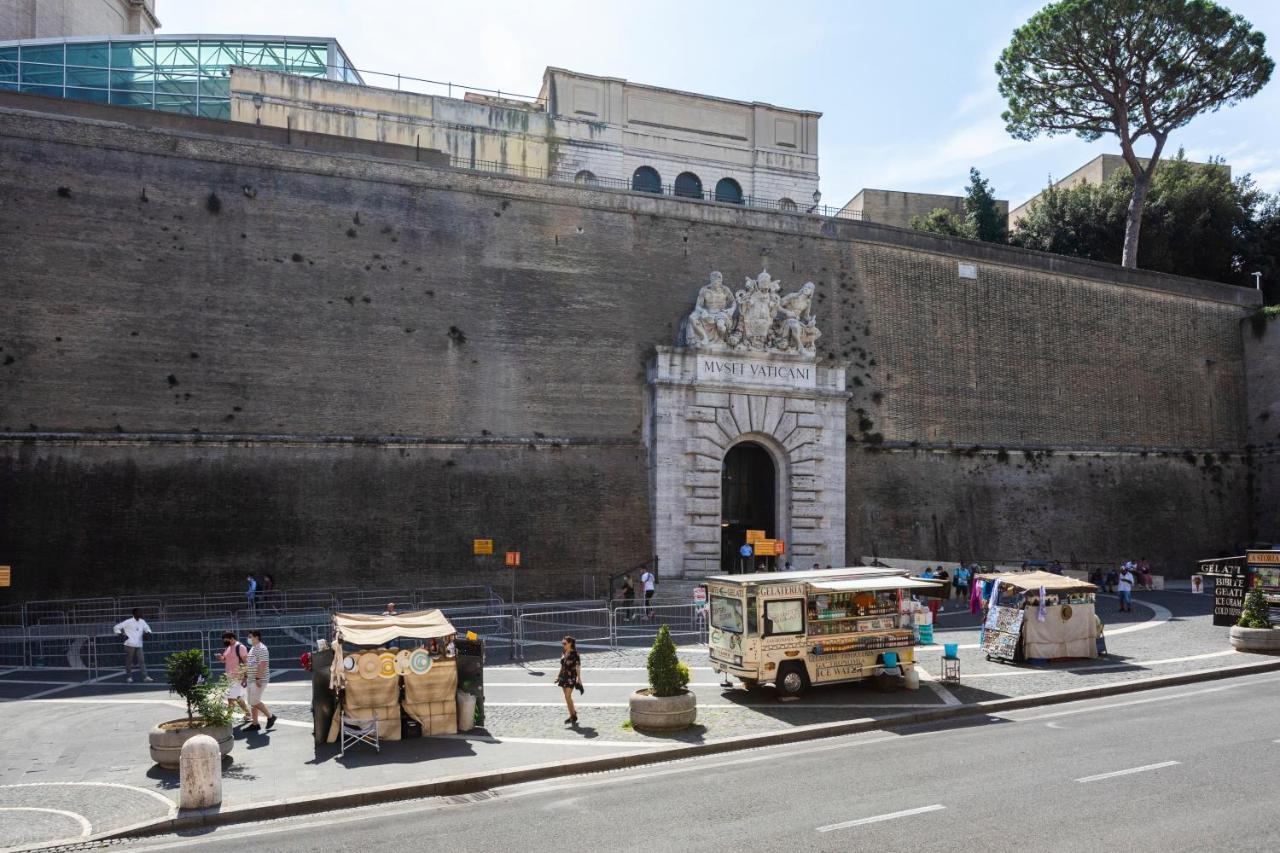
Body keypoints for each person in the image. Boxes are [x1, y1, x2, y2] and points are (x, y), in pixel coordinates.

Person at [244, 629, 276, 732]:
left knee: (254, 700)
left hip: (259, 679)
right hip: (251, 679)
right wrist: (246, 676)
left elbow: (263, 664)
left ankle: (270, 716)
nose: (248, 638)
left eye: (250, 636)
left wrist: (258, 678)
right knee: (252, 702)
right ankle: (255, 723)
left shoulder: (262, 648)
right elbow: (251, 664)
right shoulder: (253, 648)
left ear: (256, 637)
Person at [113, 608, 153, 683]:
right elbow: (116, 627)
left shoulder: (142, 621)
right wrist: (121, 634)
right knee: (129, 661)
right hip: (129, 644)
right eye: (139, 612)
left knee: (142, 661)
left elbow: (147, 628)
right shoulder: (128, 621)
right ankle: (129, 677)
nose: (141, 614)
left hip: (139, 644)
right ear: (134, 614)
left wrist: (148, 632)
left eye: (141, 612)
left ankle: (145, 677)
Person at [220, 631, 251, 723]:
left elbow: (247, 662)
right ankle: (248, 714)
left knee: (231, 697)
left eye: (226, 640)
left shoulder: (240, 647)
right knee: (237, 697)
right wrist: (220, 658)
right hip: (230, 677)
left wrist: (245, 676)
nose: (225, 642)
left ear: (232, 638)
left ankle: (228, 716)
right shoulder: (228, 647)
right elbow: (225, 660)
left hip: (238, 676)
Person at [556, 635, 582, 726]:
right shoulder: (564, 651)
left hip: (571, 677)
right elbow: (562, 666)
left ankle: (572, 715)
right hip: (563, 677)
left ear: (570, 643)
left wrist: (579, 679)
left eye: (564, 643)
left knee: (567, 696)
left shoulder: (575, 654)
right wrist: (558, 676)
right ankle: (573, 714)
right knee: (567, 697)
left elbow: (578, 667)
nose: (563, 645)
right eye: (562, 643)